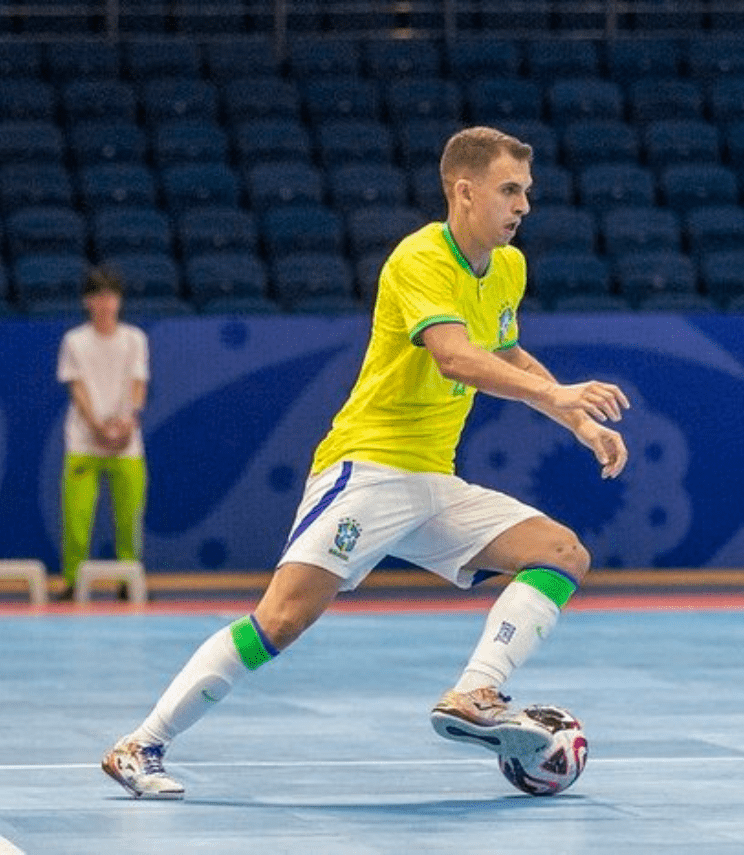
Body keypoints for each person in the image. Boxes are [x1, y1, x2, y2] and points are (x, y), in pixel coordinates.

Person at [102, 126, 631, 799]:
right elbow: (454, 355)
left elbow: (504, 352)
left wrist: (577, 419)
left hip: (433, 481)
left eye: (526, 190)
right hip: (368, 469)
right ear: (464, 192)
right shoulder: (419, 259)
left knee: (562, 551)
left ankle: (476, 692)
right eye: (509, 189)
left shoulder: (508, 268)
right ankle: (138, 744)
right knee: (281, 621)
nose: (523, 204)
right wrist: (557, 393)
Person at [57, 265, 150, 601]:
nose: (105, 303)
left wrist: (128, 421)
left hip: (127, 444)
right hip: (84, 441)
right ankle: (72, 582)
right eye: (98, 296)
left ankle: (129, 582)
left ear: (119, 301)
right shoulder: (75, 341)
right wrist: (96, 425)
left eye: (111, 296)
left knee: (129, 519)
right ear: (87, 301)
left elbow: (139, 383)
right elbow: (77, 386)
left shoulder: (134, 339)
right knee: (77, 518)